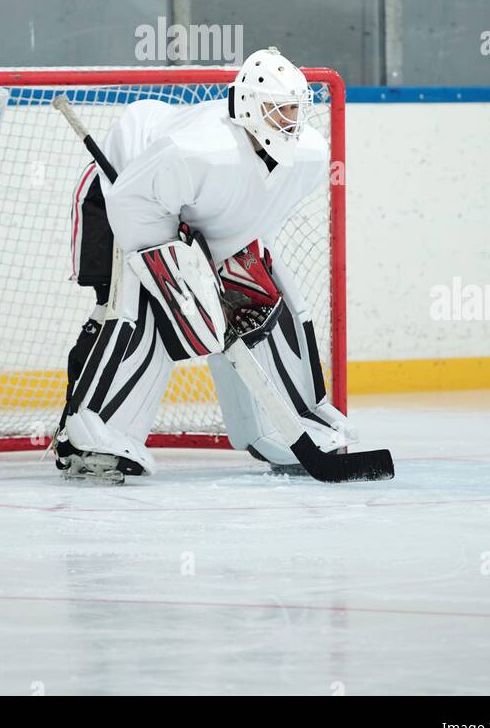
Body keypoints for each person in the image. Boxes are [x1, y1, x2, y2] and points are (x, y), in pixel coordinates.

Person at [54, 47, 349, 481]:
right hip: (124, 192)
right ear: (249, 107)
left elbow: (258, 215)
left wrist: (222, 273)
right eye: (277, 109)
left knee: (258, 294)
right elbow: (132, 206)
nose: (290, 120)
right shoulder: (196, 150)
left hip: (195, 214)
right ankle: (90, 433)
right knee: (138, 306)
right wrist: (175, 273)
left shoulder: (308, 153)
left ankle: (289, 425)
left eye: (295, 110)